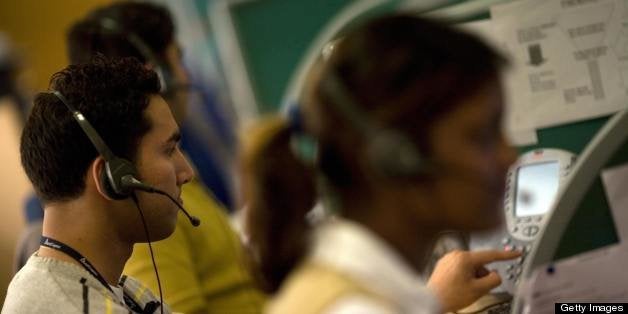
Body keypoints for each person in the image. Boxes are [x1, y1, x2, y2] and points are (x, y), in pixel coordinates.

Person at [242, 14, 521, 313]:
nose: (510, 157)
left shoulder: (353, 278)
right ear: (397, 158)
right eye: (482, 136)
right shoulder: (355, 306)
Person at [65, 3, 265, 313]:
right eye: (179, 59)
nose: (187, 76)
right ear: (159, 75)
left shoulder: (169, 172)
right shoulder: (150, 203)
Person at [3, 56, 193, 313]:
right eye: (169, 150)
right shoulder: (70, 306)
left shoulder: (120, 291)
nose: (187, 172)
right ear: (113, 178)